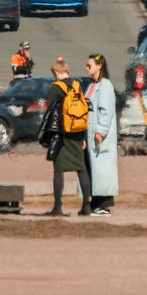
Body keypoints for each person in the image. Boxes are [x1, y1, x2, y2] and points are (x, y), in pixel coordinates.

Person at [41, 58, 92, 216]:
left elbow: (51, 114)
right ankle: (86, 206)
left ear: (56, 73)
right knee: (81, 168)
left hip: (61, 134)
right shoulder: (77, 85)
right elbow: (82, 112)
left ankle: (57, 207)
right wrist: (83, 136)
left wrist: (48, 136)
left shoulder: (55, 88)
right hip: (77, 132)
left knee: (58, 170)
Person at [84, 54, 119, 216]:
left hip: (99, 136)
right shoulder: (91, 85)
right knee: (93, 170)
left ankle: (103, 205)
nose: (87, 68)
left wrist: (101, 131)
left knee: (102, 170)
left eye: (89, 65)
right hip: (89, 134)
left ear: (99, 66)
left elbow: (106, 111)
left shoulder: (106, 86)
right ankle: (93, 204)